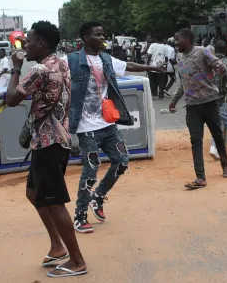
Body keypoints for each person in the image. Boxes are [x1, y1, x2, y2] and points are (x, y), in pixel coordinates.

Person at [1, 21, 87, 278]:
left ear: (42, 44)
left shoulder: (38, 70)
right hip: (53, 139)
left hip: (48, 142)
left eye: (28, 41)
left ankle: (77, 261)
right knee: (33, 192)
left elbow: (12, 99)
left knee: (54, 201)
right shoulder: (61, 63)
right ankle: (57, 247)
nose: (24, 45)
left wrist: (16, 68)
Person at [65, 21, 162, 234]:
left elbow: (128, 66)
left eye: (103, 34)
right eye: (98, 35)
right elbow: (53, 72)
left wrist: (152, 68)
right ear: (86, 38)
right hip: (86, 127)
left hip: (108, 123)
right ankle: (80, 215)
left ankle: (97, 197)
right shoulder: (71, 60)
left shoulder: (106, 59)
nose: (103, 37)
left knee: (122, 162)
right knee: (90, 170)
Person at [167, 28, 227, 189]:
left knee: (217, 135)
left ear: (187, 40)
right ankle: (200, 177)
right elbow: (183, 83)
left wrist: (221, 70)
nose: (175, 43)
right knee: (196, 140)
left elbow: (219, 65)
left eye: (177, 39)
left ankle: (225, 165)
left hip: (209, 102)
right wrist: (174, 101)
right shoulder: (180, 58)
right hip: (192, 106)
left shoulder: (202, 52)